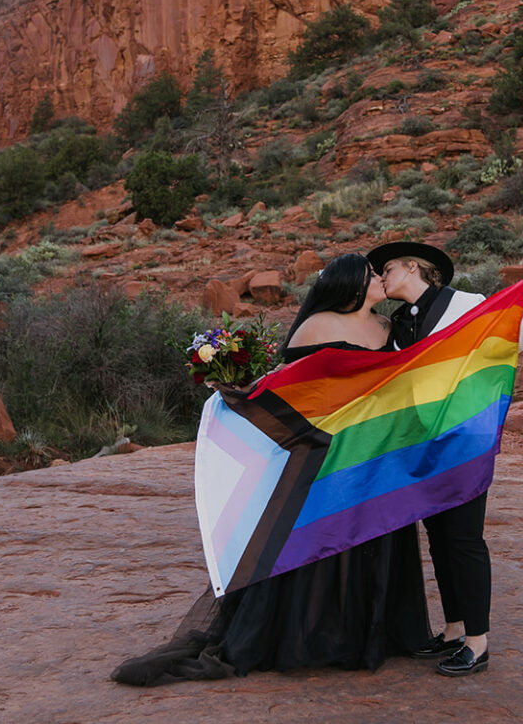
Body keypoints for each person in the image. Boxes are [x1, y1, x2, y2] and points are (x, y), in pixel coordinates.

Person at [110, 253, 431, 686]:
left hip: (377, 450)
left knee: (375, 532)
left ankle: (373, 632)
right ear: (352, 283)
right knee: (322, 537)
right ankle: (313, 637)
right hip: (328, 451)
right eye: (372, 274)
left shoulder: (389, 328)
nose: (379, 279)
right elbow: (291, 382)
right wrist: (239, 391)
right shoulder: (315, 328)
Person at [366, 241, 523, 678]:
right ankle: (452, 630)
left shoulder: (466, 304)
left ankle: (478, 642)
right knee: (439, 537)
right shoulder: (396, 323)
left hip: (465, 440)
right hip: (421, 447)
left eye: (387, 269)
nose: (382, 277)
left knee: (465, 538)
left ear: (413, 267)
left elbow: (510, 341)